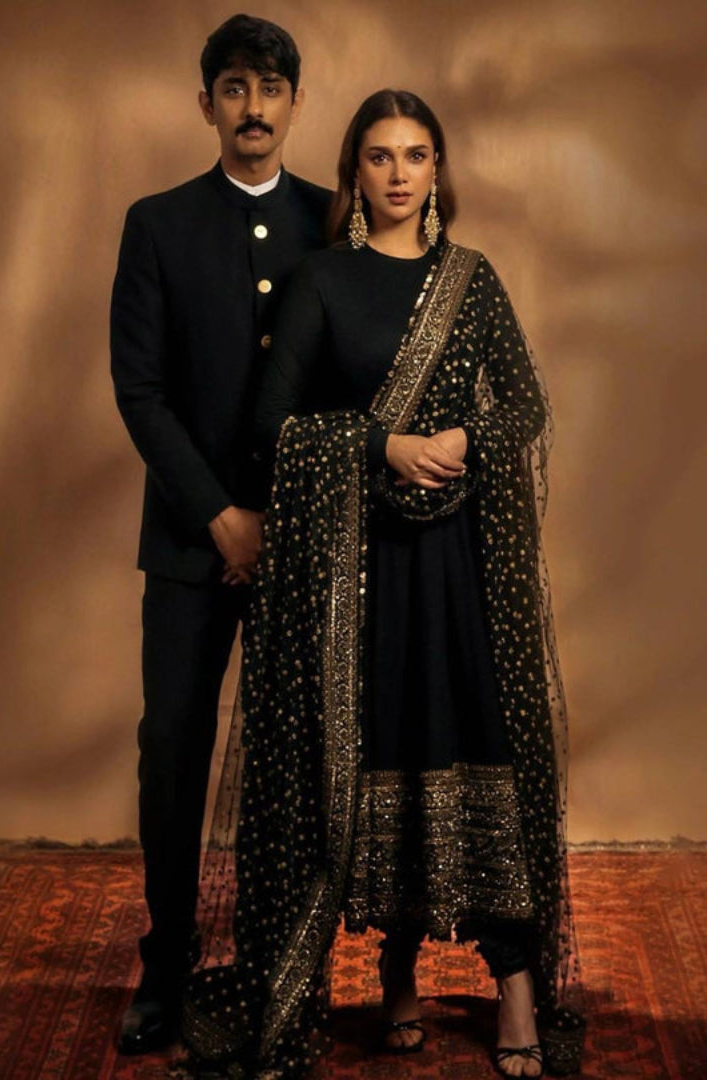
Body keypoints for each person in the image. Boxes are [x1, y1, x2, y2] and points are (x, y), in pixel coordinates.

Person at [182, 90, 584, 1079]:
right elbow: (273, 432)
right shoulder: (322, 284)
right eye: (377, 156)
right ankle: (396, 968)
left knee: (480, 747)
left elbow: (525, 403)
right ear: (354, 172)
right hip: (358, 582)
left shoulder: (472, 281)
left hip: (462, 574)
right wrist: (382, 444)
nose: (399, 174)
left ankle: (516, 985)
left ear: (439, 170)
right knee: (385, 763)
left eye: (416, 155)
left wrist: (461, 440)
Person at [109, 14, 331, 1055]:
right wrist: (217, 514)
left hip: (306, 546)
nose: (254, 106)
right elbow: (140, 391)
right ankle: (165, 967)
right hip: (191, 543)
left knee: (298, 763)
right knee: (172, 750)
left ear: (295, 104)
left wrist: (286, 518)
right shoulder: (156, 224)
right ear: (207, 104)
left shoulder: (336, 223)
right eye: (234, 87)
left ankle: (287, 962)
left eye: (272, 87)